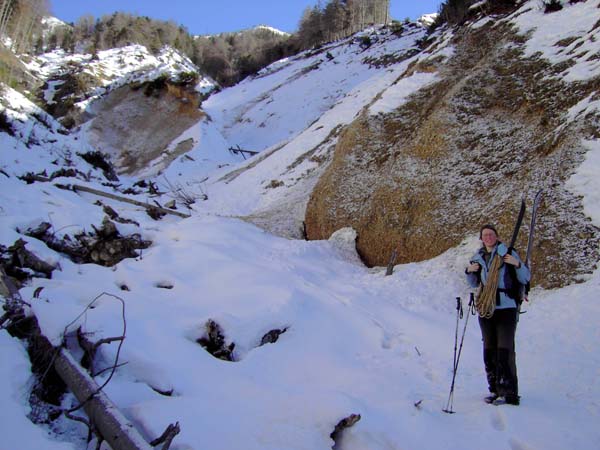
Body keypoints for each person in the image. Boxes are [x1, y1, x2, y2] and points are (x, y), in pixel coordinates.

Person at [465, 224, 530, 405]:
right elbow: (473, 283)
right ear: (481, 238)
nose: (488, 237)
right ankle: (494, 389)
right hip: (487, 308)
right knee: (489, 350)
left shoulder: (508, 253)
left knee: (505, 350)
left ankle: (509, 392)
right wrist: (469, 272)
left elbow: (525, 277)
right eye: (485, 235)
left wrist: (517, 264)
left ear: (497, 236)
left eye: (491, 234)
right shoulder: (478, 257)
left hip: (506, 307)